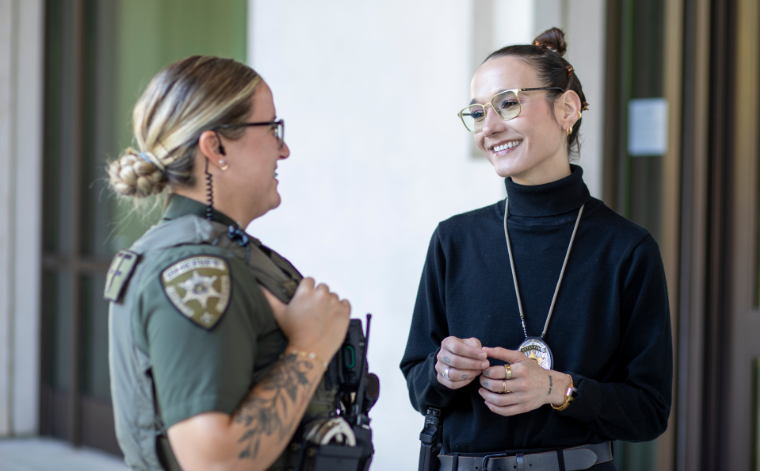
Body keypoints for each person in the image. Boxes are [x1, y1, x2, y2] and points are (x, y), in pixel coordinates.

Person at [400, 28, 672, 471]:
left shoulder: (626, 248)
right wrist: (442, 370)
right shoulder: (454, 240)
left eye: (508, 103)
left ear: (567, 109)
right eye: (476, 112)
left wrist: (556, 389)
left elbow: (649, 410)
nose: (488, 128)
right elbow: (416, 381)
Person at [105, 55, 352, 471]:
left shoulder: (211, 248)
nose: (284, 148)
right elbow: (214, 463)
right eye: (272, 128)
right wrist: (311, 347)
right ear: (215, 146)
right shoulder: (198, 267)